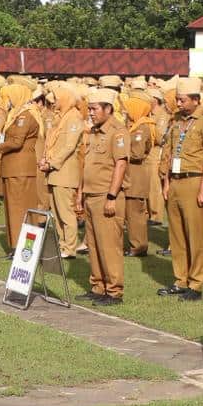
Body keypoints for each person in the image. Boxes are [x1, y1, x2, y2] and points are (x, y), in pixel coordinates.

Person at [158, 77, 203, 300]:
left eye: (182, 100)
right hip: (175, 180)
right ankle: (180, 279)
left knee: (195, 235)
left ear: (195, 99)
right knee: (176, 235)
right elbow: (168, 151)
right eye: (177, 99)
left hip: (194, 180)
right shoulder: (176, 120)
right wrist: (166, 182)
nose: (179, 103)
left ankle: (196, 283)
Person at [76, 89, 129, 303]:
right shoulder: (94, 131)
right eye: (89, 108)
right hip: (90, 195)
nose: (90, 113)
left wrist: (111, 196)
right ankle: (98, 286)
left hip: (105, 195)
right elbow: (86, 165)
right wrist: (80, 194)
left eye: (94, 108)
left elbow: (121, 164)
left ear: (108, 109)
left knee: (109, 245)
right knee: (94, 245)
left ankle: (114, 290)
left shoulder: (118, 131)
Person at [40, 82, 85, 259]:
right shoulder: (61, 117)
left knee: (66, 212)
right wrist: (45, 159)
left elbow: (68, 146)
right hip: (54, 171)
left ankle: (70, 247)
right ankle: (62, 244)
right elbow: (51, 141)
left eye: (57, 99)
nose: (54, 103)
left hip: (64, 172)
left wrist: (50, 163)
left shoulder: (74, 118)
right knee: (57, 212)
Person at [0, 83, 42, 249]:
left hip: (19, 169)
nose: (6, 101)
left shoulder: (25, 116)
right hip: (14, 168)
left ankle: (20, 246)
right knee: (14, 209)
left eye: (8, 97)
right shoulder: (17, 115)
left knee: (18, 209)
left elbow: (16, 142)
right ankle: (18, 244)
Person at [123, 91, 156, 257]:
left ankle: (139, 246)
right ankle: (134, 244)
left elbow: (137, 153)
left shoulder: (142, 128)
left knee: (135, 213)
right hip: (130, 174)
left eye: (129, 108)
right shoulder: (135, 126)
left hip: (135, 175)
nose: (126, 112)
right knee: (129, 213)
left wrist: (118, 150)